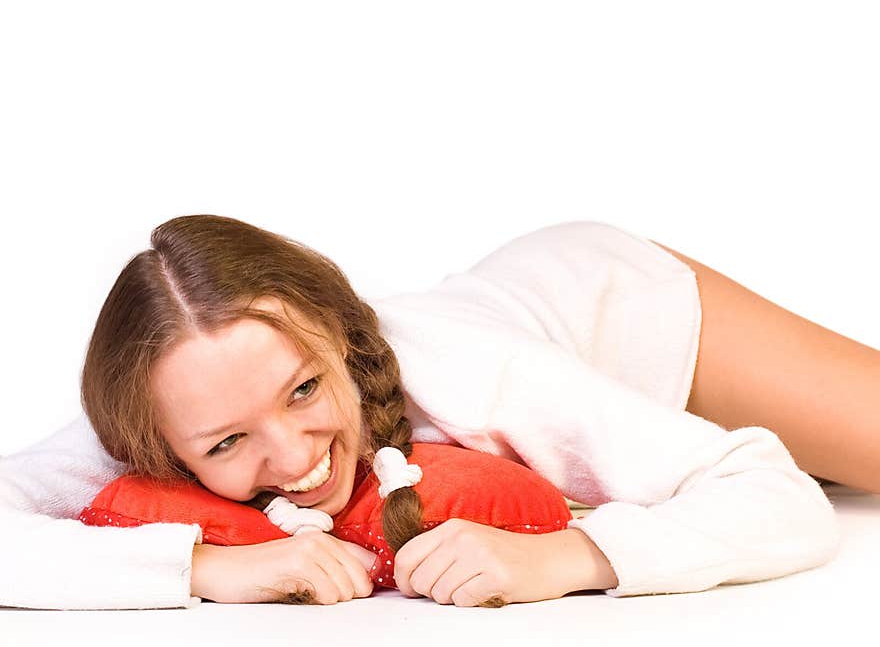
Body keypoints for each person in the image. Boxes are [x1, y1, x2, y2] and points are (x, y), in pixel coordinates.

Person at [1, 214, 862, 610]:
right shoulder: (164, 400)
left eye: (304, 390)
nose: (292, 453)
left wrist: (568, 556)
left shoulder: (475, 373)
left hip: (632, 314)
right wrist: (196, 572)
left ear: (340, 338)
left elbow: (776, 495)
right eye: (227, 442)